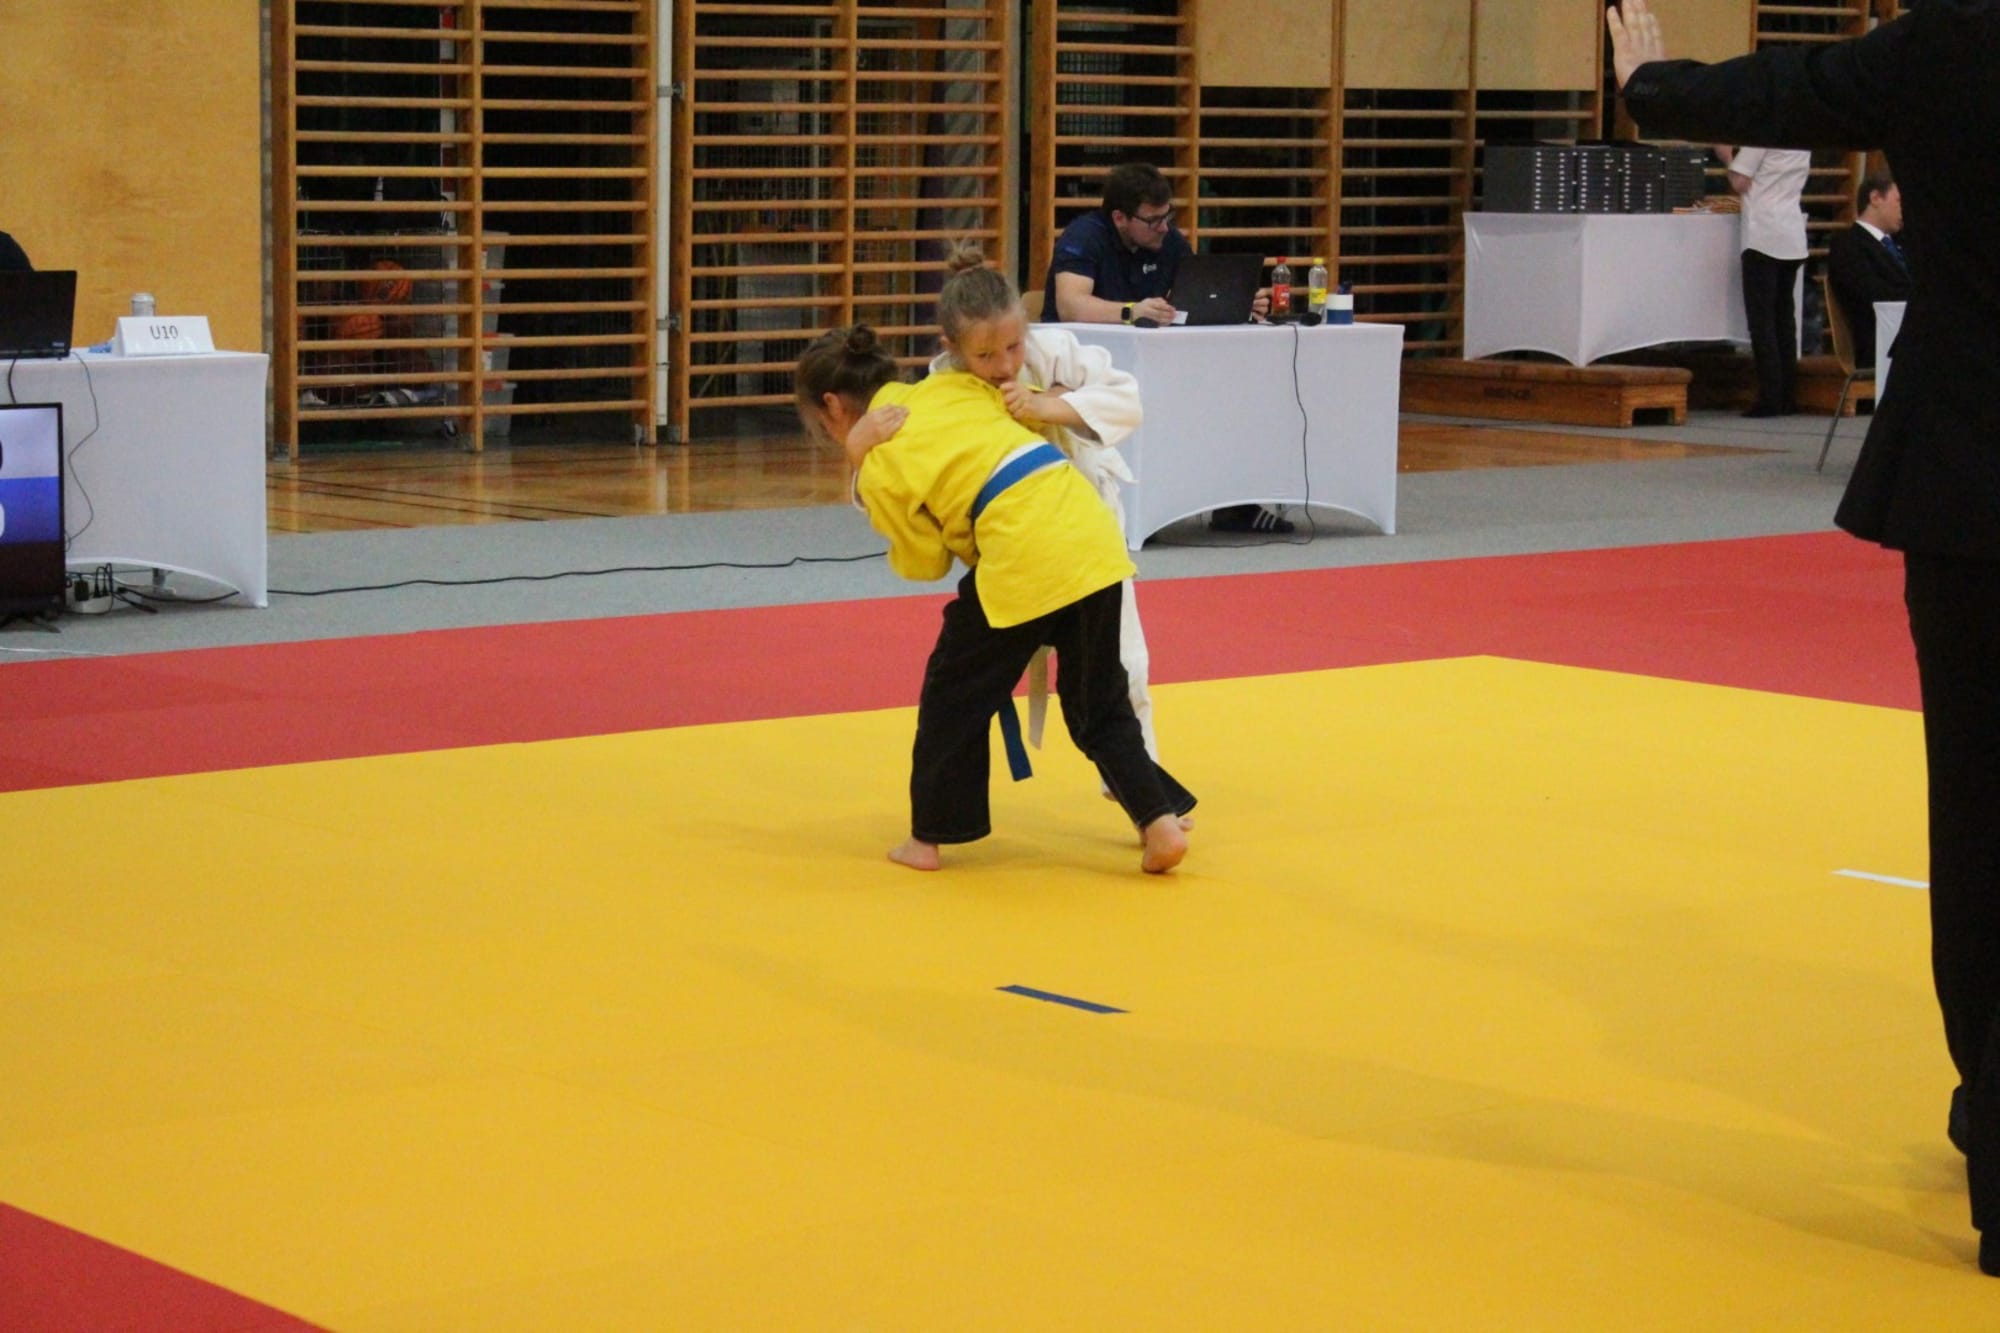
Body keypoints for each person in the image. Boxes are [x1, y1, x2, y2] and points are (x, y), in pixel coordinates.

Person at [1608, 0, 2000, 1275]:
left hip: (1967, 476)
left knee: (1976, 814)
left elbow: (1780, 93)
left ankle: (1986, 1112)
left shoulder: (1949, 45)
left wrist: (1650, 84)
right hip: (1962, 478)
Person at [795, 325, 1196, 875]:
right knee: (1099, 701)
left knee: (953, 693)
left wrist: (862, 462)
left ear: (834, 406)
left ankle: (927, 839)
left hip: (1023, 549)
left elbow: (925, 560)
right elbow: (1018, 420)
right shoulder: (953, 386)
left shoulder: (882, 455)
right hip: (1089, 530)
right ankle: (1159, 823)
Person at [927, 240, 1183, 797]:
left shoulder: (1053, 349)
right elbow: (916, 464)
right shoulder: (939, 390)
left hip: (1086, 532)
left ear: (1026, 326)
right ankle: (949, 805)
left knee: (1123, 663)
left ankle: (1146, 790)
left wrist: (1052, 405)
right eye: (985, 356)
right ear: (951, 347)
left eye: (1013, 346)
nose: (1004, 365)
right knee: (970, 680)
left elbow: (1127, 399)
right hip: (1013, 546)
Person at [1046, 163, 1288, 534]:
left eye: (1167, 217)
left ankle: (1232, 503)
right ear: (1120, 218)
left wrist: (1240, 303)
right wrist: (1131, 311)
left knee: (1226, 392)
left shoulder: (1167, 240)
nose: (1163, 227)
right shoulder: (1083, 236)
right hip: (1081, 365)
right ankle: (1139, 505)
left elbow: (1193, 294)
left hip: (1150, 362)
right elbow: (1070, 305)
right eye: (1153, 220)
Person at [1716, 142, 1811, 417]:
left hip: (1763, 234)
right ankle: (1787, 395)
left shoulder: (1760, 139)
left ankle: (1770, 396)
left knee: (1762, 322)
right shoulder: (1803, 139)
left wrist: (1726, 156)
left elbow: (1740, 181)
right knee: (1784, 319)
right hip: (1792, 231)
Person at [1825, 171, 1911, 366]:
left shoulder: (1902, 243)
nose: (1904, 209)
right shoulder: (1848, 245)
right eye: (1898, 201)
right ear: (1875, 198)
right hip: (1879, 344)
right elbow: (1872, 294)